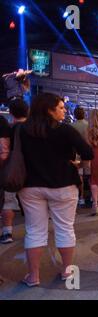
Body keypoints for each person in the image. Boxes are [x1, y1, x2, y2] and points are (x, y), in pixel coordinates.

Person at [18, 93, 93, 287]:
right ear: (49, 110)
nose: (64, 111)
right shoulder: (64, 130)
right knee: (65, 228)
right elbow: (88, 152)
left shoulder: (22, 130)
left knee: (34, 230)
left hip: (30, 187)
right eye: (60, 108)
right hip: (64, 185)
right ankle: (67, 272)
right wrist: (73, 160)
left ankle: (33, 276)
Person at [0, 99, 29, 244]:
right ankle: (33, 232)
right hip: (33, 171)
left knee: (9, 201)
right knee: (32, 203)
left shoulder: (8, 129)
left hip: (13, 170)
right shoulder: (35, 128)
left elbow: (4, 153)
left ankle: (7, 232)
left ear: (10, 113)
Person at [70, 106, 90, 207]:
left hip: (76, 154)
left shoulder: (71, 126)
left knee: (80, 176)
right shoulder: (88, 125)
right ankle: (91, 197)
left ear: (74, 114)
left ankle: (81, 198)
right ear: (84, 114)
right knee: (91, 176)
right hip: (87, 152)